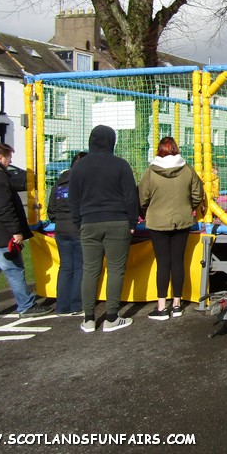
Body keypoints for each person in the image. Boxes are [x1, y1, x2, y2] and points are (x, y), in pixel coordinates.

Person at [0, 143, 51, 325]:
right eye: (8, 157)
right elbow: (4, 208)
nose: (10, 161)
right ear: (0, 157)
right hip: (1, 234)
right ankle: (26, 306)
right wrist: (16, 231)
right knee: (14, 270)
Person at [69, 125, 140, 333]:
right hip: (117, 222)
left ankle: (89, 318)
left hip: (89, 222)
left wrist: (78, 222)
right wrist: (132, 222)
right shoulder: (120, 165)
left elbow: (73, 199)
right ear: (112, 141)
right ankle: (111, 317)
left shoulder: (79, 167)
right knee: (116, 270)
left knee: (90, 270)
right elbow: (130, 197)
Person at [139, 137, 205, 320]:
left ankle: (161, 306)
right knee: (178, 261)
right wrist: (188, 207)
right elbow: (198, 193)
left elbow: (142, 196)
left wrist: (147, 210)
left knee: (163, 263)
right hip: (182, 220)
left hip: (157, 222)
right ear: (176, 148)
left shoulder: (151, 171)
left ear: (159, 150)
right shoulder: (187, 169)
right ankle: (177, 304)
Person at [47, 151, 87, 316]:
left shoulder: (59, 183)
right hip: (78, 228)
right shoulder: (83, 183)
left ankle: (62, 305)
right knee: (79, 267)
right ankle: (76, 304)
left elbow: (51, 210)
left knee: (65, 267)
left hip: (61, 229)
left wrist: (59, 219)